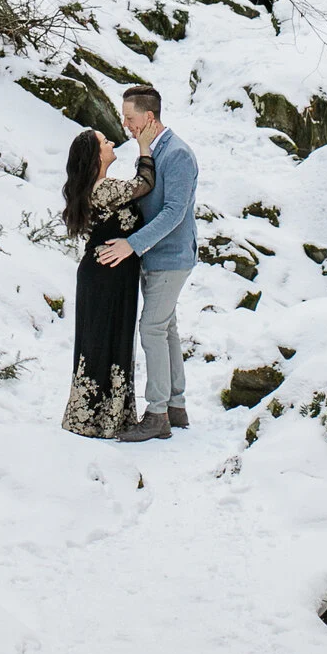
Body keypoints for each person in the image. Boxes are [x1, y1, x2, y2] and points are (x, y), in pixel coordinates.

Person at [94, 85, 197, 441]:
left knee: (152, 328)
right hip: (155, 256)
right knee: (165, 328)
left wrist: (131, 246)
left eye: (129, 118)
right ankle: (176, 406)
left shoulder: (178, 154)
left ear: (149, 117)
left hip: (171, 257)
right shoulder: (150, 151)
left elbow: (174, 212)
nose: (124, 124)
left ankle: (157, 415)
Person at [60, 126, 156, 438]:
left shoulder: (99, 188)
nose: (112, 141)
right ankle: (100, 418)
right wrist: (144, 147)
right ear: (95, 156)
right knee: (104, 341)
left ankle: (100, 416)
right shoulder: (104, 188)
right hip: (107, 276)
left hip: (108, 274)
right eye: (105, 141)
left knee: (106, 340)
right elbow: (145, 184)